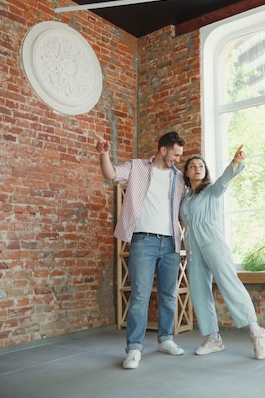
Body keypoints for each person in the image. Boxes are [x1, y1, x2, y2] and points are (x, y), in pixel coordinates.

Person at [94, 131, 186, 370]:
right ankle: (134, 348)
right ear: (163, 150)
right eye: (175, 154)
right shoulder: (137, 167)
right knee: (140, 296)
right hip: (143, 241)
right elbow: (111, 174)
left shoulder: (178, 178)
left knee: (168, 295)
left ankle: (166, 339)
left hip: (171, 244)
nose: (177, 159)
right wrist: (104, 153)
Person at [180, 145, 265, 360]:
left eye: (201, 165)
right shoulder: (184, 200)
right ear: (187, 173)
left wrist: (235, 162)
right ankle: (214, 338)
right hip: (193, 250)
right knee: (199, 292)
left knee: (230, 284)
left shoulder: (211, 191)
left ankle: (256, 331)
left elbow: (223, 181)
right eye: (192, 166)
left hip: (213, 244)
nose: (197, 168)